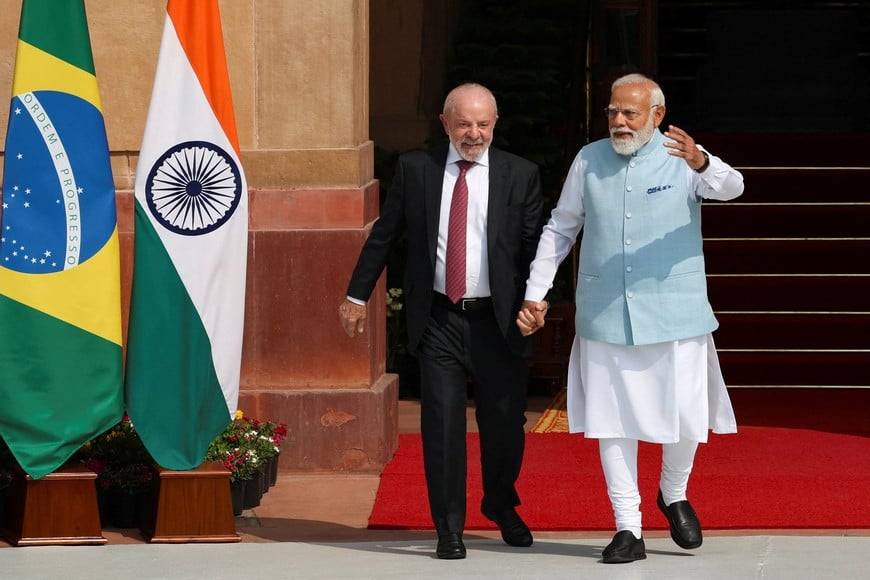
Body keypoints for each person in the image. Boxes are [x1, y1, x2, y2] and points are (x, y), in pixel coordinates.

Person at [517, 73, 744, 564]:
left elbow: (733, 187)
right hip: (605, 312)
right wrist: (537, 292)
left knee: (687, 413)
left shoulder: (683, 156)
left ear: (656, 116)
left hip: (676, 310)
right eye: (613, 112)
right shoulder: (589, 159)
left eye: (630, 114)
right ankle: (628, 526)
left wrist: (702, 160)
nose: (619, 122)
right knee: (611, 421)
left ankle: (674, 491)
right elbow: (561, 227)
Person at [340, 83, 545, 560]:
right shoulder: (417, 169)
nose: (473, 134)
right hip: (438, 318)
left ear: (495, 123)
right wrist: (354, 295)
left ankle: (498, 503)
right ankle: (448, 527)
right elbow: (384, 235)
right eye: (463, 124)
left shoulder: (521, 174)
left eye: (483, 124)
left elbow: (538, 246)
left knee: (504, 426)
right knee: (443, 425)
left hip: (498, 322)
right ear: (444, 123)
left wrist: (538, 301)